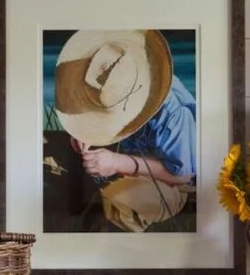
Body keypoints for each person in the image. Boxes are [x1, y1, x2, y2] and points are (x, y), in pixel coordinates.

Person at [54, 29, 196, 232]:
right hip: (130, 153)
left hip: (173, 183)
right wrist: (86, 134)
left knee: (113, 202)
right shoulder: (120, 82)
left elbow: (182, 175)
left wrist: (116, 163)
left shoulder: (173, 114)